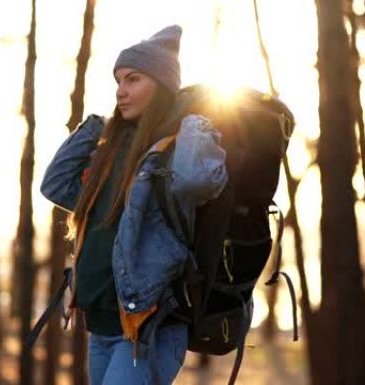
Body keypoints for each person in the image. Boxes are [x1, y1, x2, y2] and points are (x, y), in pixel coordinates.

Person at [40, 25, 228, 385]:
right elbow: (55, 184)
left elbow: (197, 181)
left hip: (147, 332)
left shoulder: (175, 149)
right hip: (103, 327)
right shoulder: (111, 153)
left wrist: (190, 119)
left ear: (160, 84)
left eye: (133, 79)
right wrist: (95, 126)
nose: (121, 91)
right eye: (118, 81)